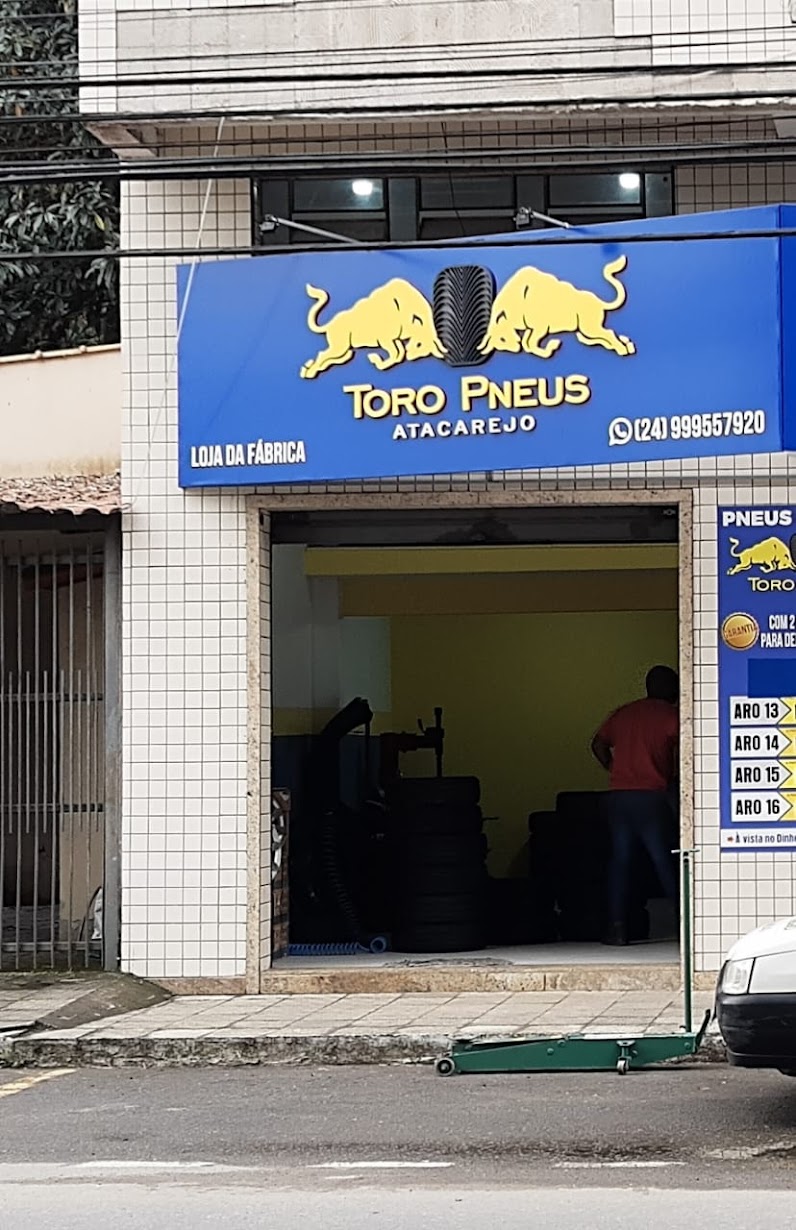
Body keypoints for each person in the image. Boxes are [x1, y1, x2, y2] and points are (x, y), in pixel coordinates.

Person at [591, 666, 680, 946]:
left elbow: (597, 744)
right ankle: (685, 926)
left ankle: (617, 928)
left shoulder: (624, 713)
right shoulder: (671, 716)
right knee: (664, 860)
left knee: (620, 862)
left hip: (619, 797)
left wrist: (614, 768)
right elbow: (686, 748)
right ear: (671, 688)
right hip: (651, 797)